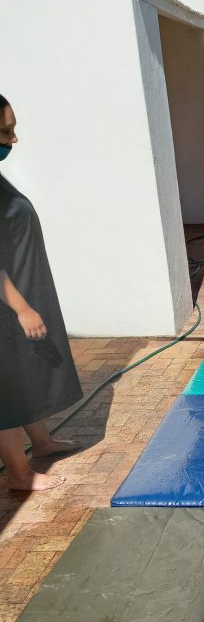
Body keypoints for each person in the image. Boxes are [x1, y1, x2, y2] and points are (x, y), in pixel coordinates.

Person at [0, 94, 82, 491]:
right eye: (5, 132)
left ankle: (42, 442)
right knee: (7, 393)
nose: (13, 139)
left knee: (25, 377)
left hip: (18, 294)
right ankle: (19, 475)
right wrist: (22, 308)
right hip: (8, 302)